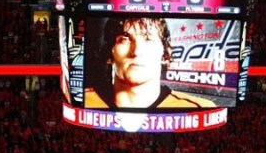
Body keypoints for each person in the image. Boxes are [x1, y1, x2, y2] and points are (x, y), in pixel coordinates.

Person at [82, 15, 215, 110]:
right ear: (109, 54)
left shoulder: (200, 108)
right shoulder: (84, 102)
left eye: (148, 39)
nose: (137, 51)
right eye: (124, 39)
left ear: (165, 53)